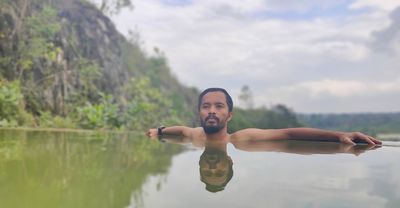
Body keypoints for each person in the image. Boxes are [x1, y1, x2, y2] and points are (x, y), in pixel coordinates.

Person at [146, 87, 382, 146]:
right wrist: (159, 131)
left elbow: (289, 133)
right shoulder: (195, 136)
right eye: (206, 106)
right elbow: (178, 130)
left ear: (229, 115)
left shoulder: (241, 140)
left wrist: (340, 135)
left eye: (219, 106)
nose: (211, 111)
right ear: (199, 112)